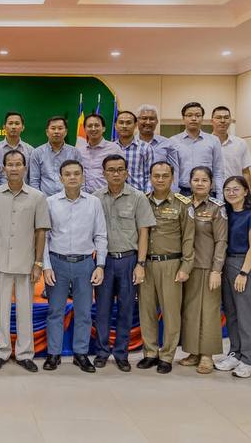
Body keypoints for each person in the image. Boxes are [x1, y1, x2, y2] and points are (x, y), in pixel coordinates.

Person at [0, 150, 51, 372]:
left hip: (26, 262)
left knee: (25, 310)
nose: (14, 168)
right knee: (0, 310)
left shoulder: (37, 197)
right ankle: (0, 352)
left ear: (25, 168)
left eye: (18, 164)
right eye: (10, 165)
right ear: (3, 169)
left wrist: (38, 263)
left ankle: (24, 354)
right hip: (0, 262)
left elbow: (41, 231)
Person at [41, 160, 107, 373]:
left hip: (85, 264)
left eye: (76, 173)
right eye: (67, 174)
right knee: (55, 311)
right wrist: (46, 266)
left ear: (83, 176)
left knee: (84, 312)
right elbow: (44, 237)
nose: (72, 177)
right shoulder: (50, 202)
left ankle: (81, 354)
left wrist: (100, 265)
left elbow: (101, 235)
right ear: (61, 178)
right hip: (57, 263)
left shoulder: (93, 202)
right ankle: (53, 354)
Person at [92, 155, 153, 372]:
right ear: (104, 173)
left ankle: (121, 353)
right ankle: (101, 351)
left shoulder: (138, 197)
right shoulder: (95, 198)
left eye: (120, 169)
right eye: (111, 170)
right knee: (102, 309)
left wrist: (141, 264)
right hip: (104, 262)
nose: (116, 173)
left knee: (126, 309)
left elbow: (144, 232)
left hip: (129, 260)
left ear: (126, 172)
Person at [136, 161, 194, 374]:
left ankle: (167, 355)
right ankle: (150, 353)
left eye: (165, 175)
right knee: (146, 311)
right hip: (146, 264)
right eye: (156, 175)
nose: (160, 179)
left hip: (171, 264)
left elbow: (189, 237)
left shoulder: (183, 204)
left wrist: (186, 266)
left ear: (172, 178)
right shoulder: (142, 201)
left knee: (171, 313)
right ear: (150, 177)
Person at [214, 176, 251, 378]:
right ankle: (235, 353)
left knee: (246, 314)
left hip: (245, 265)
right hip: (227, 263)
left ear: (246, 191)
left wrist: (244, 273)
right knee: (232, 313)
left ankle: (249, 360)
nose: (231, 193)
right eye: (227, 189)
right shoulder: (225, 213)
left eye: (236, 189)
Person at [178, 167, 227, 374]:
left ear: (211, 184)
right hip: (186, 267)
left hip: (207, 266)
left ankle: (207, 354)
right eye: (196, 180)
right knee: (190, 310)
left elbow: (221, 241)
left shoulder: (217, 208)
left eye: (204, 180)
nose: (199, 183)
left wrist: (217, 269)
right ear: (189, 182)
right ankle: (193, 352)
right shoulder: (182, 204)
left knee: (209, 311)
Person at [170, 102, 223, 198]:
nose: (194, 118)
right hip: (182, 192)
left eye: (198, 115)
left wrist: (220, 196)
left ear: (202, 118)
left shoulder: (213, 140)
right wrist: (173, 195)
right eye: (189, 115)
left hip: (208, 193)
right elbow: (173, 172)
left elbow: (218, 171)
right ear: (183, 118)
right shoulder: (173, 141)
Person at [125, 105, 181, 193]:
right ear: (137, 121)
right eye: (144, 118)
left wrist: (173, 192)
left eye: (151, 119)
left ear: (157, 121)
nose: (148, 122)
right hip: (134, 193)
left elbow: (175, 171)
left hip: (161, 193)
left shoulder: (167, 143)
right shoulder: (128, 145)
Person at [28, 116, 79, 196]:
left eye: (60, 128)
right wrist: (39, 200)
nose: (56, 131)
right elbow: (34, 181)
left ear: (66, 132)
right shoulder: (37, 153)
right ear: (47, 132)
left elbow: (80, 178)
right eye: (53, 128)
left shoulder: (74, 152)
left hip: (69, 199)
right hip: (45, 199)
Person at [77, 113, 122, 192]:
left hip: (108, 195)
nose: (93, 129)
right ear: (85, 129)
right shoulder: (79, 151)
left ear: (103, 128)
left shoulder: (114, 149)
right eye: (90, 126)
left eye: (97, 125)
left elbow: (122, 173)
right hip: (86, 196)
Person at [211, 106, 251, 185]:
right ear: (212, 121)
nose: (222, 121)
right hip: (212, 190)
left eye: (226, 117)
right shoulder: (206, 143)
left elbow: (245, 171)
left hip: (235, 189)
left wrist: (248, 192)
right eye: (218, 117)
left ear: (230, 120)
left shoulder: (240, 143)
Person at [0, 111, 33, 181]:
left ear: (23, 127)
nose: (13, 127)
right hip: (1, 187)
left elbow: (32, 176)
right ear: (4, 127)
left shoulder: (30, 150)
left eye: (17, 123)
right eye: (10, 123)